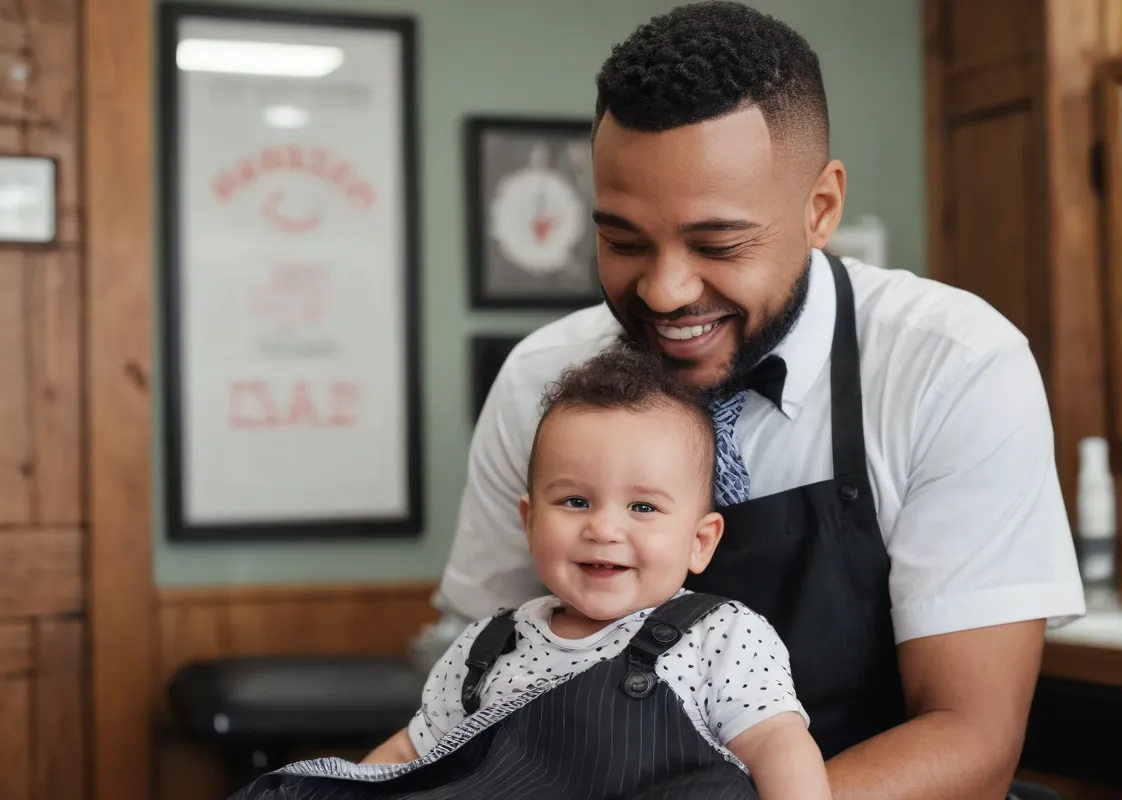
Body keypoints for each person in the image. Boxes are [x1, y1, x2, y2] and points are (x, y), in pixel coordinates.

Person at [407, 2, 1087, 798]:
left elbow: (972, 739)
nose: (664, 291)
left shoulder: (952, 367)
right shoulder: (540, 382)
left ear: (820, 209)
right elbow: (490, 684)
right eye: (623, 241)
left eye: (717, 245)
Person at [231, 344, 831, 799]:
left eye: (643, 507)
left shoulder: (722, 636)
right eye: (574, 502)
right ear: (528, 520)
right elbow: (411, 754)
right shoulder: (490, 646)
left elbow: (779, 745)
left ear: (701, 542)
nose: (604, 529)